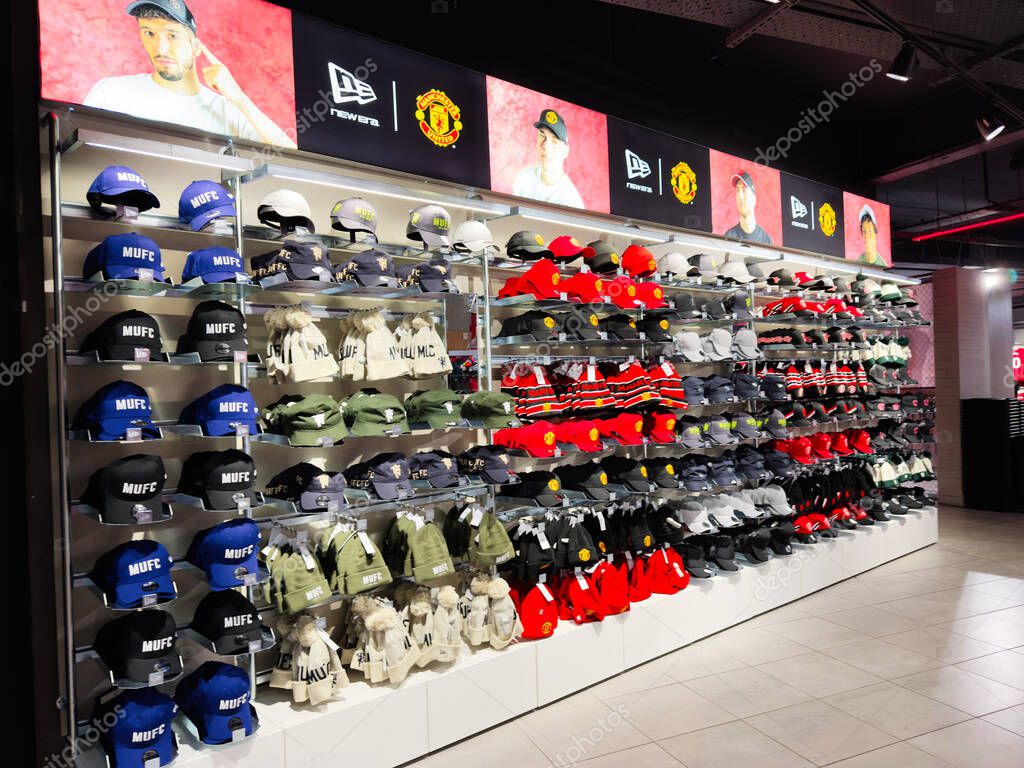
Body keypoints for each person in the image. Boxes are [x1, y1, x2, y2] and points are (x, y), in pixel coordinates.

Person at [84, 0, 295, 148]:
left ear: (195, 47)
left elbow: (289, 152)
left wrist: (240, 99)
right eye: (149, 33)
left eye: (172, 35)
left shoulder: (225, 109)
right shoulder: (112, 92)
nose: (161, 48)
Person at [512, 108, 585, 209]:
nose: (546, 145)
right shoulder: (523, 179)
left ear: (565, 151)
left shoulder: (572, 202)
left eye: (554, 141)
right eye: (542, 135)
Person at [723, 171, 773, 244]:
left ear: (754, 199)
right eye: (737, 190)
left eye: (743, 190)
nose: (740, 196)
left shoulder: (766, 240)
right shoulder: (729, 237)